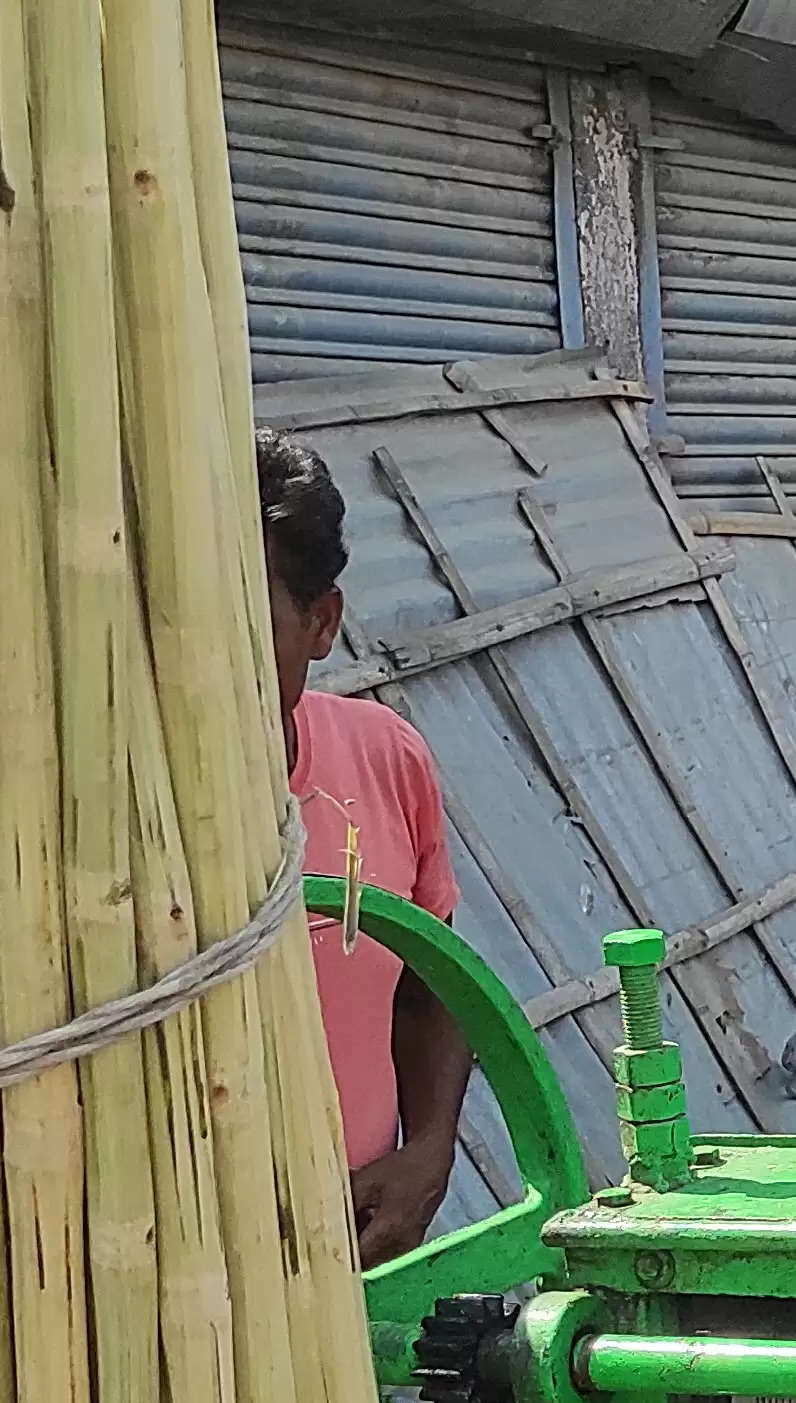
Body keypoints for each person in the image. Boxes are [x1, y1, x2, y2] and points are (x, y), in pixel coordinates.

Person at [260, 430, 472, 1267]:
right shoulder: (87, 815)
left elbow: (430, 985)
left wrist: (429, 1152)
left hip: (354, 1269)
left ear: (321, 623)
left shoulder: (384, 757)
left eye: (245, 622)